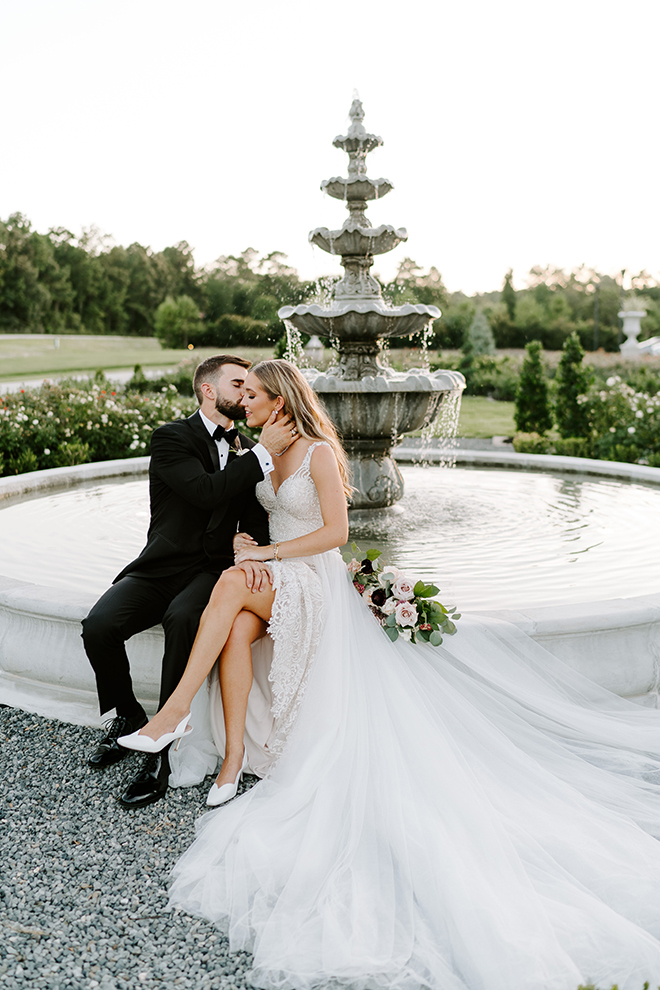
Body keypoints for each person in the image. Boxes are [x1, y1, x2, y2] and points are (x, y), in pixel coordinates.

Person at [124, 360, 660, 988]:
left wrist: (262, 554)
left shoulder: (319, 451)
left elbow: (336, 533)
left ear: (280, 399)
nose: (245, 404)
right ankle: (233, 754)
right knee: (238, 626)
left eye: (255, 396)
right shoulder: (263, 448)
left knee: (229, 588)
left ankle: (174, 713)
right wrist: (249, 543)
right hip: (276, 573)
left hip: (313, 578)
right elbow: (245, 511)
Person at [82, 354, 297, 809]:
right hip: (160, 567)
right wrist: (259, 454)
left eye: (250, 387)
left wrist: (250, 548)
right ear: (208, 390)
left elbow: (257, 515)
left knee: (184, 620)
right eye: (238, 384)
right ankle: (128, 716)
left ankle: (159, 751)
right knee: (98, 626)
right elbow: (202, 491)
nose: (246, 393)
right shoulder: (171, 438)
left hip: (211, 571)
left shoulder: (246, 449)